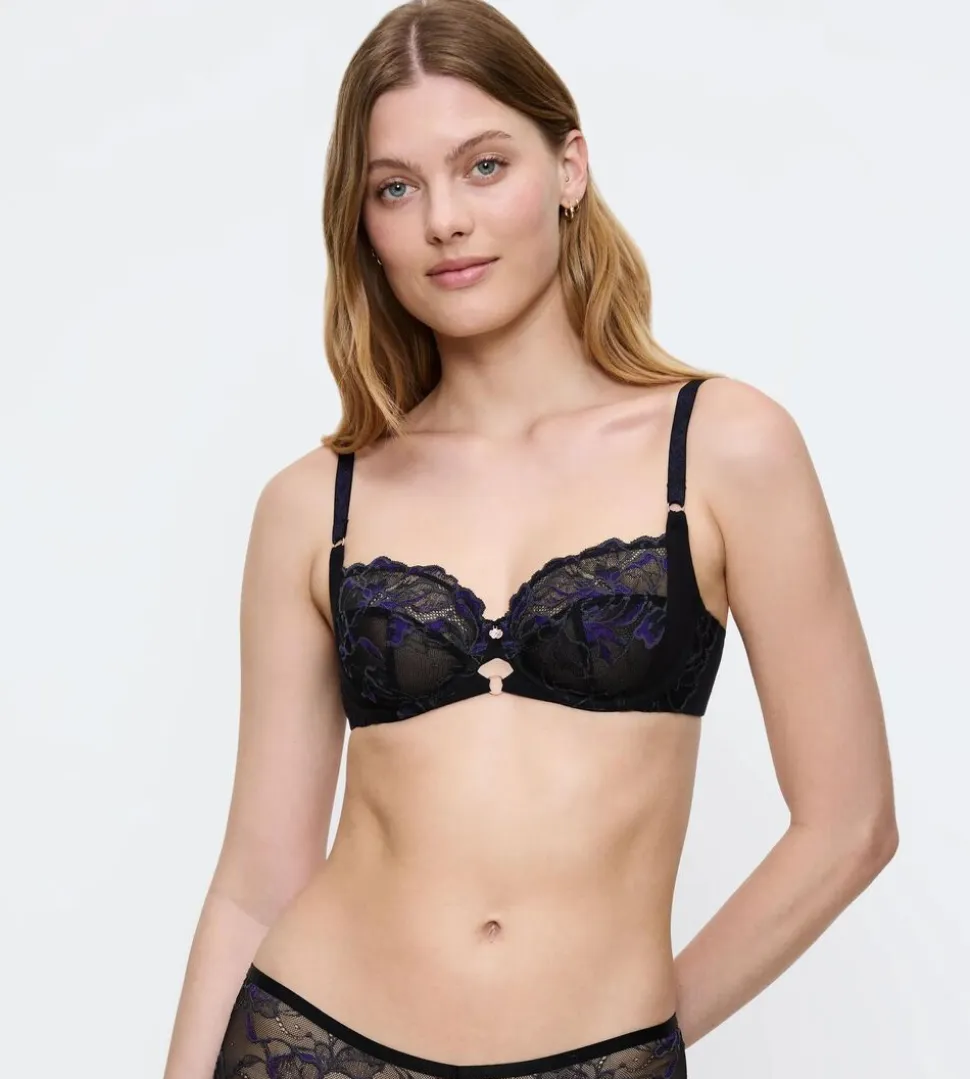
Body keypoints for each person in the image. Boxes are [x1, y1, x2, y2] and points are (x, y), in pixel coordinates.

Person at [162, 1, 898, 1076]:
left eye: (484, 166)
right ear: (363, 222)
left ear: (568, 168)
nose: (444, 220)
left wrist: (638, 1039)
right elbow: (256, 879)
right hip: (311, 1043)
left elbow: (850, 823)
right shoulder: (315, 502)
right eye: (395, 187)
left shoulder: (724, 449)